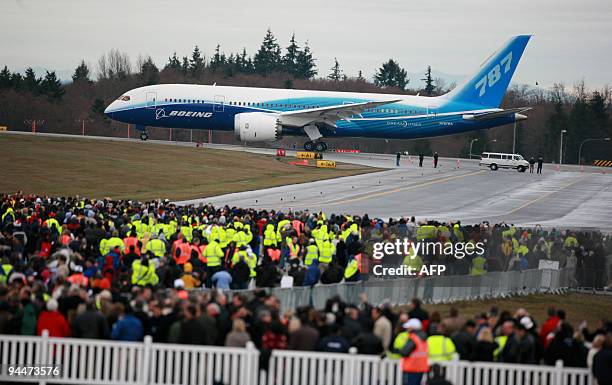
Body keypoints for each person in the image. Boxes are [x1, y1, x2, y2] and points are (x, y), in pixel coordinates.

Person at [400, 318, 429, 385]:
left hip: (411, 368)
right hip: (421, 368)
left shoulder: (413, 338)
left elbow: (404, 352)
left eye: (408, 327)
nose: (407, 329)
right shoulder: (423, 338)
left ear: (413, 327)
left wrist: (398, 350)